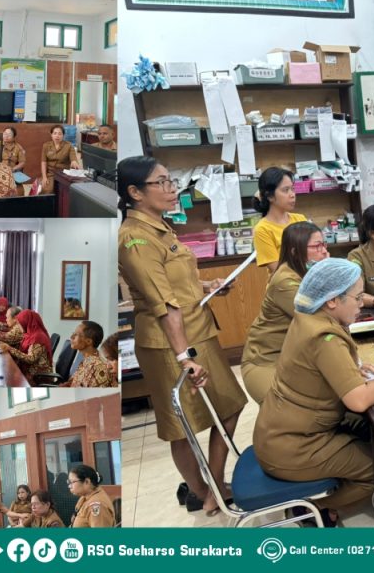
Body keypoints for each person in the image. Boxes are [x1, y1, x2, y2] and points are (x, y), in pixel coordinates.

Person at [117, 155, 246, 515]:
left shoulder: (160, 226)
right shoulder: (134, 239)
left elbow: (177, 282)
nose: (171, 188)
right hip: (168, 344)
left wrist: (207, 285)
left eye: (171, 181)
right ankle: (204, 491)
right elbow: (163, 304)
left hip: (197, 331)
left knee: (230, 405)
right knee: (181, 426)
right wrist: (183, 357)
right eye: (161, 182)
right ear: (135, 192)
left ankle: (213, 486)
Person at [254, 259, 374, 526]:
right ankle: (315, 510)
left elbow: (316, 367)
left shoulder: (307, 317)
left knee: (373, 434)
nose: (361, 304)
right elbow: (359, 400)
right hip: (294, 447)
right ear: (331, 300)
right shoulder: (325, 338)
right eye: (357, 297)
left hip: (280, 432)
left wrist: (350, 368)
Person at [241, 221, 329, 403]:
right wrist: (327, 270)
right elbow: (322, 314)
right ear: (295, 252)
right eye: (317, 246)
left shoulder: (304, 272)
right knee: (288, 409)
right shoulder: (285, 281)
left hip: (296, 357)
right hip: (267, 360)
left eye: (324, 244)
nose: (324, 251)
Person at [252, 167, 307, 274]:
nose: (292, 195)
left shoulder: (300, 219)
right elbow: (279, 272)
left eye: (292, 189)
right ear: (270, 196)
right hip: (286, 282)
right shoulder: (262, 229)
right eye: (286, 190)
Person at [0, 309, 53, 379]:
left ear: (26, 322)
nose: (19, 326)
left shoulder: (38, 337)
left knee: (8, 376)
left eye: (20, 323)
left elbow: (31, 359)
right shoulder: (29, 335)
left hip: (38, 376)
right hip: (29, 370)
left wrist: (10, 349)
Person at [64, 321, 115, 387]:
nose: (71, 337)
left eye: (76, 334)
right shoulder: (86, 360)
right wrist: (67, 385)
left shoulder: (98, 368)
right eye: (73, 333)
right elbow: (75, 381)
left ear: (88, 341)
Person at [40, 125, 80, 194]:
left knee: (65, 192)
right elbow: (43, 162)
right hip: (51, 173)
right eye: (55, 133)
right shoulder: (46, 145)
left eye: (60, 134)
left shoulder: (69, 146)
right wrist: (44, 177)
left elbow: (73, 158)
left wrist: (74, 162)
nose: (57, 136)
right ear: (51, 135)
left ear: (63, 135)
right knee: (47, 190)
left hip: (63, 174)